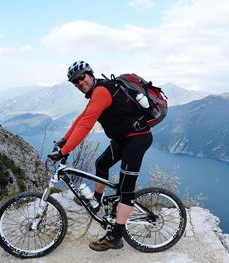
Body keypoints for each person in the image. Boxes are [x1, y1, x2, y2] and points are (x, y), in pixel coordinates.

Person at [48, 61, 153, 251]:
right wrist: (64, 140)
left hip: (137, 139)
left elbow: (86, 125)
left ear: (90, 74)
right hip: (124, 139)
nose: (80, 83)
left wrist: (64, 152)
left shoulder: (102, 91)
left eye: (82, 77)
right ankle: (97, 200)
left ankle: (116, 236)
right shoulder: (97, 94)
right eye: (75, 82)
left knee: (125, 189)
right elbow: (82, 119)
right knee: (101, 164)